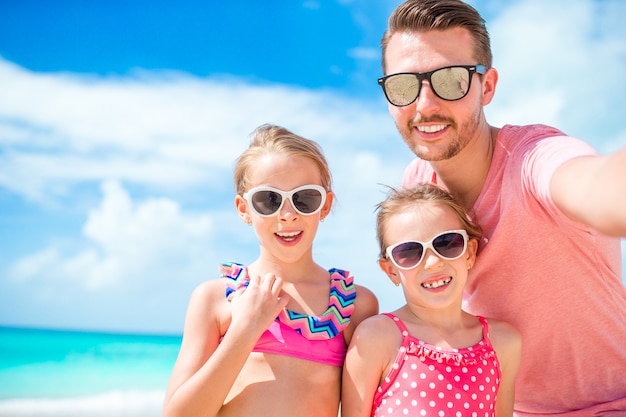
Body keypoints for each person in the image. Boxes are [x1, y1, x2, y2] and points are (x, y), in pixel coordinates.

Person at [377, 1, 626, 415]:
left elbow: (596, 185)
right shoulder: (418, 186)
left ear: (486, 86)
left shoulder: (534, 159)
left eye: (451, 80)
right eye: (404, 86)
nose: (424, 105)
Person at [162, 124, 378, 417]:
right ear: (244, 209)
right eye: (268, 200)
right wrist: (245, 329)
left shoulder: (353, 305)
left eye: (304, 199)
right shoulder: (214, 299)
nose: (287, 215)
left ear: (325, 206)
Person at [342, 184, 522, 417]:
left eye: (447, 243)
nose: (432, 263)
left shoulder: (503, 343)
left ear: (469, 253)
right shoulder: (377, 337)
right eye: (409, 253)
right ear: (391, 271)